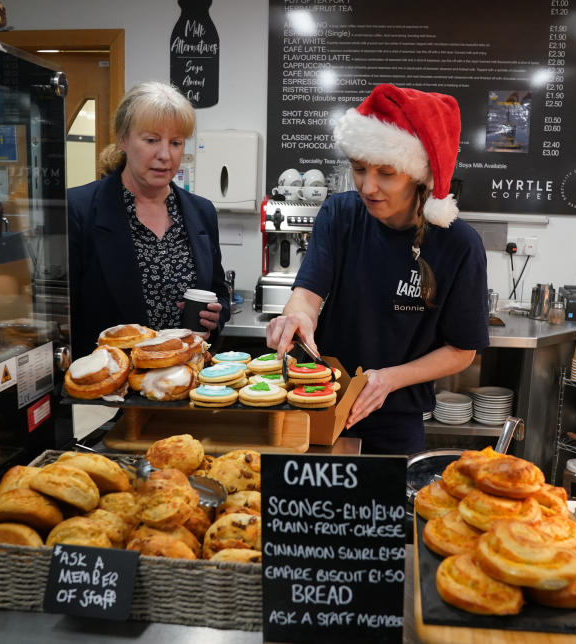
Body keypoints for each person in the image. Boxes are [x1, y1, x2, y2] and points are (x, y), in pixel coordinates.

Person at [266, 84, 489, 455]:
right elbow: (306, 295)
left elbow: (461, 350)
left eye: (386, 173)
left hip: (396, 421)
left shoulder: (459, 245)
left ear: (418, 175)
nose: (368, 187)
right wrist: (295, 318)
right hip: (320, 402)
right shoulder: (339, 215)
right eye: (358, 169)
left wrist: (388, 379)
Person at [68, 81, 230, 358]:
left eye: (176, 142)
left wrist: (217, 314)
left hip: (184, 382)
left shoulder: (201, 212)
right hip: (112, 386)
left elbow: (217, 291)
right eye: (152, 140)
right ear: (123, 139)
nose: (165, 155)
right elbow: (63, 315)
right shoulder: (79, 209)